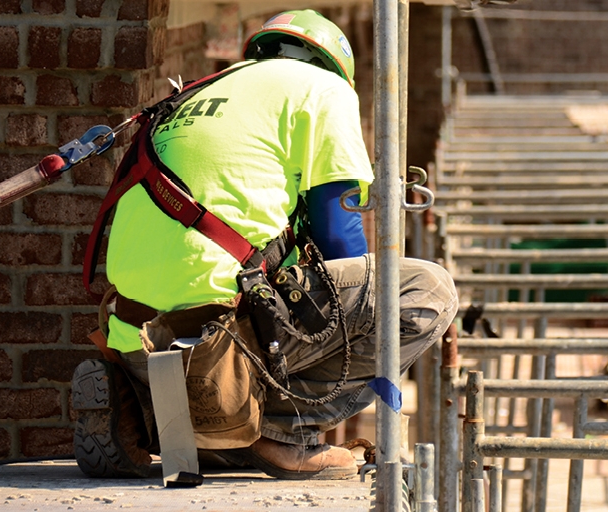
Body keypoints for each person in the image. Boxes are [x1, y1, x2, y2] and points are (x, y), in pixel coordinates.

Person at [70, 9, 458, 481]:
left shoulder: (195, 92)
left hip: (131, 334)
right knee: (424, 290)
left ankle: (153, 415)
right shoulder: (323, 88)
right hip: (219, 340)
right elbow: (340, 237)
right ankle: (281, 434)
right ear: (333, 65)